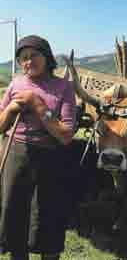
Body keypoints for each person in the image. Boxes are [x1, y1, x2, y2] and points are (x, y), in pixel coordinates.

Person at [0, 35, 76, 260]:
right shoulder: (15, 83)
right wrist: (13, 108)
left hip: (50, 159)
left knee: (48, 215)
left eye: (34, 55)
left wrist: (37, 104)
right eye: (23, 58)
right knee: (14, 212)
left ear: (47, 57)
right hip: (17, 155)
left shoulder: (64, 87)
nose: (28, 61)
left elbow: (66, 135)